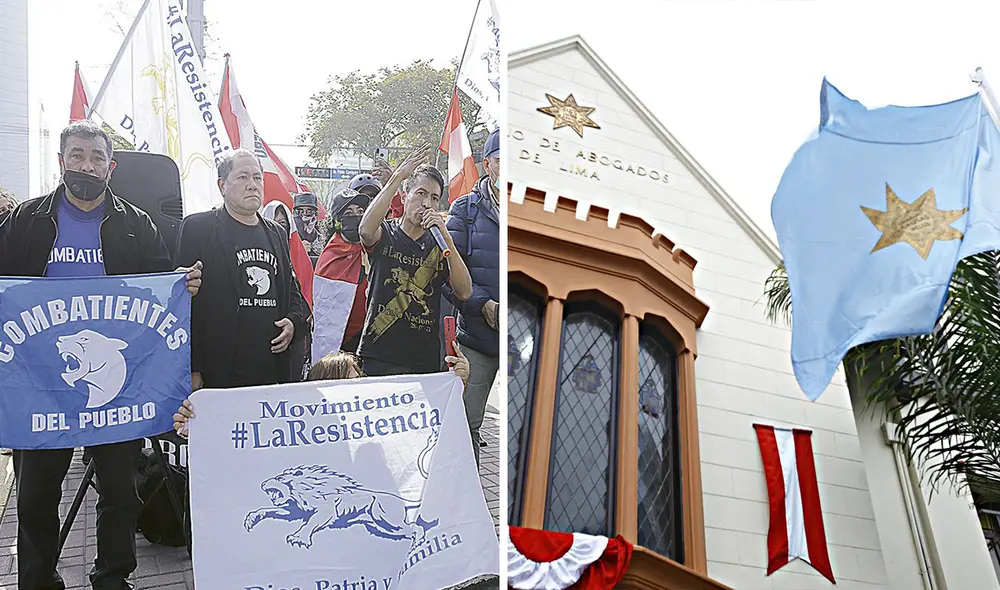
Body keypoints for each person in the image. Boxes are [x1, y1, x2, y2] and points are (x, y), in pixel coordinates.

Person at [0, 120, 202, 590]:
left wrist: (181, 282)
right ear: (61, 162)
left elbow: (160, 284)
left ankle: (112, 578)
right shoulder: (26, 221)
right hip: (40, 387)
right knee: (33, 497)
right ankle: (37, 580)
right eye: (77, 155)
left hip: (119, 389)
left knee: (120, 492)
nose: (86, 165)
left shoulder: (136, 224)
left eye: (96, 157)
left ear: (110, 167)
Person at [173, 148, 309, 390]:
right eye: (243, 177)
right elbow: (183, 305)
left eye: (257, 177)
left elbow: (293, 292)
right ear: (222, 185)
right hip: (218, 372)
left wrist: (293, 323)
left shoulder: (277, 233)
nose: (253, 185)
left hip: (270, 369)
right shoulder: (197, 228)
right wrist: (193, 367)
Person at [173, 342, 470, 435]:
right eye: (348, 385)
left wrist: (458, 384)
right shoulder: (294, 434)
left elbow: (427, 425)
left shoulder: (382, 427)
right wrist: (199, 426)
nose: (359, 392)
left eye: (361, 381)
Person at [357, 145, 473, 377]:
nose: (426, 203)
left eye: (434, 198)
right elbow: (365, 231)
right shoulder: (387, 233)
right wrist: (398, 176)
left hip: (423, 361)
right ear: (405, 196)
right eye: (420, 193)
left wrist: (446, 236)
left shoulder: (439, 244)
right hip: (379, 355)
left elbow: (465, 292)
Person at [445, 128, 501, 467]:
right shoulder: (464, 211)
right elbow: (448, 276)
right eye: (500, 161)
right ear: (486, 164)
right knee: (465, 426)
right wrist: (483, 304)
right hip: (477, 340)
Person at [312, 187, 372, 357]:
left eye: (361, 211)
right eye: (349, 213)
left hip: (371, 341)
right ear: (337, 221)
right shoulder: (331, 257)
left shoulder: (374, 248)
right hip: (341, 346)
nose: (357, 216)